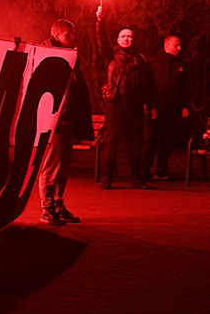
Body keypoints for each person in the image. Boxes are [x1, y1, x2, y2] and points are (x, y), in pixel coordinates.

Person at [37, 20, 93, 225]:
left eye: (73, 34)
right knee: (52, 165)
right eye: (68, 35)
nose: (73, 38)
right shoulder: (48, 53)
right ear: (57, 35)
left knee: (64, 166)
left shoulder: (69, 55)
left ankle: (59, 204)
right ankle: (47, 207)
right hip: (55, 119)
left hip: (67, 118)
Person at [99, 28, 158, 189]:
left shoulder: (141, 58)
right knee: (111, 143)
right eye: (123, 36)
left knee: (135, 144)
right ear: (118, 40)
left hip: (135, 106)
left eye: (130, 37)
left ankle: (136, 178)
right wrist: (100, 22)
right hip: (117, 105)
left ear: (134, 40)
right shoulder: (110, 55)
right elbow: (102, 41)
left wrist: (152, 105)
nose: (126, 39)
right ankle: (107, 179)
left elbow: (150, 83)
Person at [142, 35, 190, 180]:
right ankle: (144, 170)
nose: (179, 48)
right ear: (167, 46)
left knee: (167, 140)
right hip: (155, 108)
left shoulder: (180, 65)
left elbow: (185, 88)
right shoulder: (154, 62)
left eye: (180, 45)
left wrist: (185, 106)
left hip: (172, 108)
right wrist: (150, 104)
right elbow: (148, 85)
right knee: (150, 139)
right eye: (177, 45)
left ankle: (162, 169)